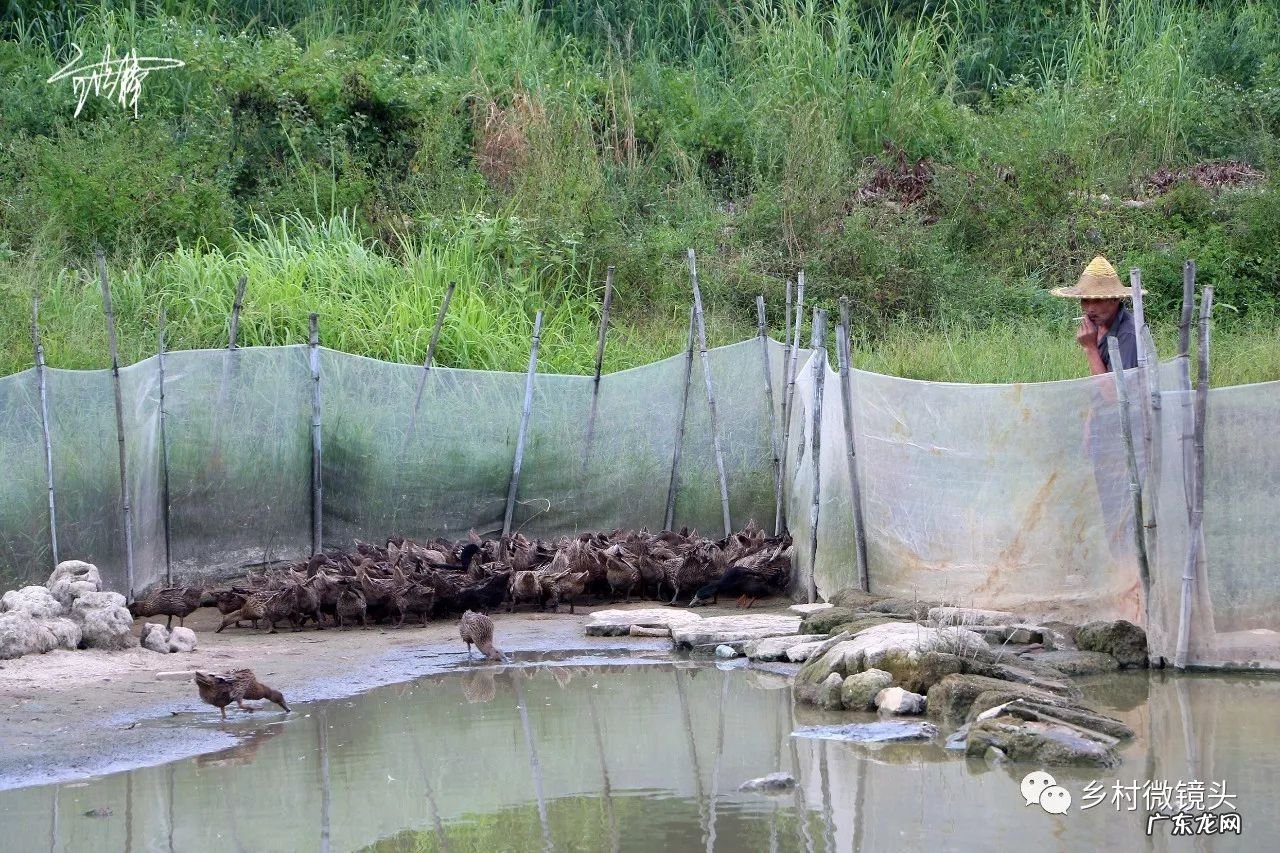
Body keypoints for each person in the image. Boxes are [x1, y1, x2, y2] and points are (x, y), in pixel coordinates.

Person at [1051, 255, 1143, 374]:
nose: (1090, 309)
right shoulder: (1100, 324)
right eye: (1085, 300)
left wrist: (1090, 348)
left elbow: (1116, 386)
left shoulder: (1128, 334)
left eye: (1098, 300)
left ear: (1115, 299)